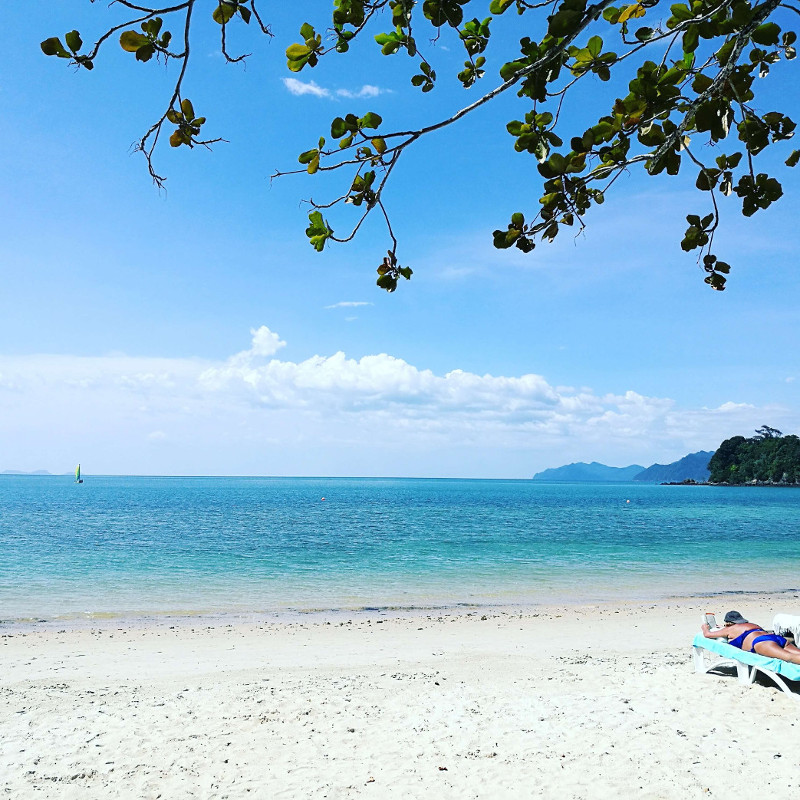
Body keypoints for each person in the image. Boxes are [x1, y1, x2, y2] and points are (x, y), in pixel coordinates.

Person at [701, 610, 800, 665]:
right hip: (776, 638)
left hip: (762, 643)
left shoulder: (730, 629)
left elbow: (707, 635)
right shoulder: (751, 625)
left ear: (728, 623)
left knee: (789, 657)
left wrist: (705, 628)